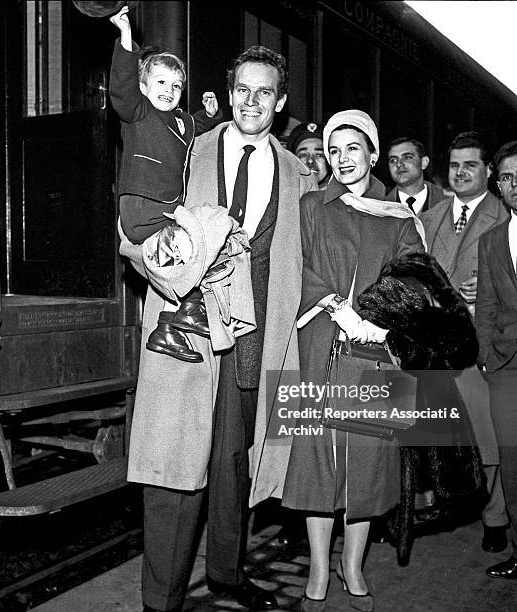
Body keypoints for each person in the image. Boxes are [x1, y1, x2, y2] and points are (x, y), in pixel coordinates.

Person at [118, 45, 316, 611]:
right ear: (229, 95)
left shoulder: (298, 175)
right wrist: (170, 262)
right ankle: (163, 599)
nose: (251, 101)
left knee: (236, 460)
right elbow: (133, 226)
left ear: (279, 103)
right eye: (242, 89)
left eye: (265, 92)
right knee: (174, 466)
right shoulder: (182, 147)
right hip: (188, 331)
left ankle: (227, 576)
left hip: (257, 337)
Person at [271, 110, 425, 612]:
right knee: (314, 461)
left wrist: (381, 320)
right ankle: (318, 569)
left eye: (352, 148)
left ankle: (352, 565)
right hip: (319, 344)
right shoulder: (312, 205)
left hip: (377, 352)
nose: (340, 158)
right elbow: (299, 266)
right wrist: (338, 309)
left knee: (368, 463)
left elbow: (416, 280)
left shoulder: (401, 216)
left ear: (373, 154)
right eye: (334, 151)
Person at [109, 7, 223, 362]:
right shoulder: (138, 113)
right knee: (205, 230)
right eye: (160, 82)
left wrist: (212, 112)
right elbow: (122, 90)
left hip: (163, 209)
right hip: (141, 206)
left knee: (202, 251)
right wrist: (126, 36)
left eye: (176, 86)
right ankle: (187, 311)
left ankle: (168, 328)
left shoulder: (182, 122)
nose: (169, 90)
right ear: (143, 87)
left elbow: (200, 127)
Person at [420, 131, 510, 554]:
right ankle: (435, 506)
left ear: (489, 172)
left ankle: (495, 519)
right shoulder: (431, 216)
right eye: (454, 165)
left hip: (479, 345)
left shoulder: (503, 218)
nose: (460, 173)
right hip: (434, 344)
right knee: (434, 430)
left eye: (470, 165)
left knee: (487, 437)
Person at [476, 140, 517, 579]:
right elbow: (484, 305)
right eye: (506, 176)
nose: (515, 184)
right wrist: (487, 355)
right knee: (512, 463)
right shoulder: (492, 241)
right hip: (506, 368)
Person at [385, 137, 446, 214]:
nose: (399, 164)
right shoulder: (379, 209)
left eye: (407, 157)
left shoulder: (448, 204)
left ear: (424, 162)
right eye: (393, 160)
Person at [286, 121, 331, 190]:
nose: (310, 160)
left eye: (319, 155)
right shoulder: (285, 197)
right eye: (303, 155)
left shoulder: (346, 199)